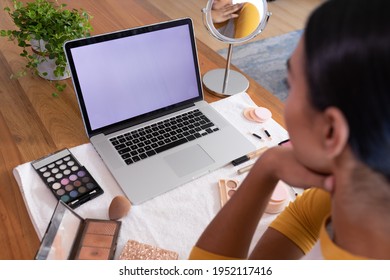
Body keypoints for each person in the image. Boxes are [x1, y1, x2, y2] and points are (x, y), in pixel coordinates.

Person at [190, 0, 390, 259]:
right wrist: (269, 163)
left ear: (331, 132)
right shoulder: (357, 191)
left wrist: (262, 171)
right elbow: (304, 222)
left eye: (291, 85)